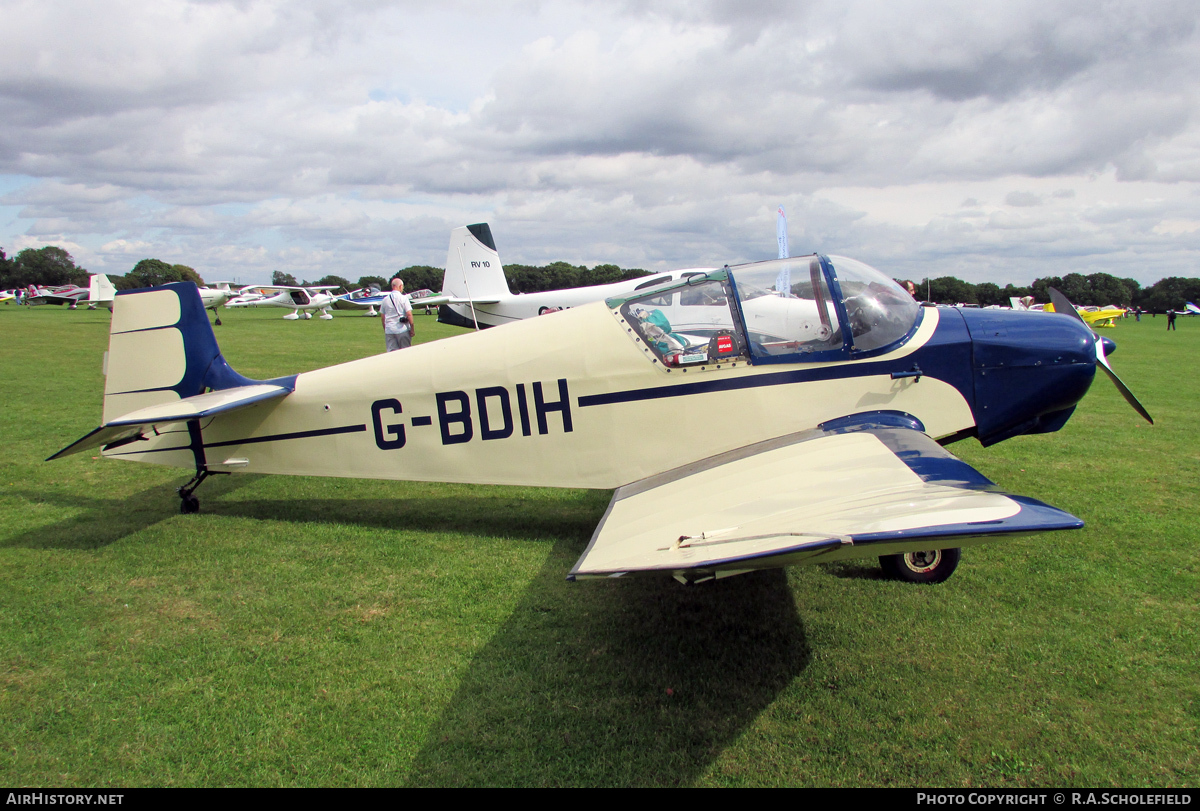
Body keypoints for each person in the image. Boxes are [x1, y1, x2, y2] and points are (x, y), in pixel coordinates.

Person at [380, 278, 415, 351]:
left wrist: (385, 329)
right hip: (402, 329)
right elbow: (409, 314)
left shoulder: (385, 300)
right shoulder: (404, 298)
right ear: (400, 286)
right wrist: (412, 328)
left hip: (389, 329)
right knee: (405, 351)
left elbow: (383, 317)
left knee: (392, 353)